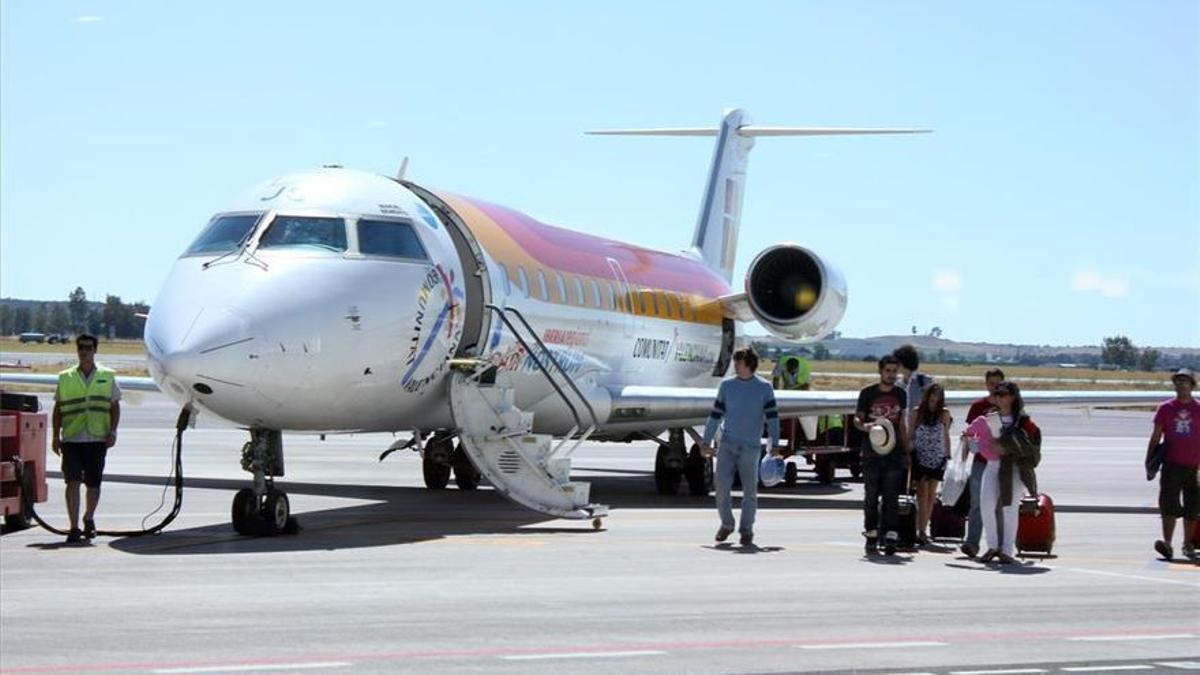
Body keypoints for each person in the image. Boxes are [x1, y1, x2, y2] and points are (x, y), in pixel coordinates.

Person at [702, 348, 782, 547]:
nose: (735, 366)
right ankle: (726, 524)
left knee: (750, 491)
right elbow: (715, 415)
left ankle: (746, 530)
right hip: (728, 444)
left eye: (738, 363)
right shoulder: (727, 386)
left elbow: (773, 417)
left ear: (748, 364)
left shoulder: (764, 388)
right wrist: (706, 441)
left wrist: (776, 442)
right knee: (721, 487)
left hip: (751, 447)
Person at [52, 333, 121, 544]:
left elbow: (114, 406)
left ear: (95, 350)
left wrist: (113, 431)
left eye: (88, 348)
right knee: (72, 482)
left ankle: (89, 518)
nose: (84, 351)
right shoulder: (65, 377)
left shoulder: (107, 376)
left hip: (97, 438)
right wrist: (55, 436)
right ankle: (73, 527)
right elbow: (58, 409)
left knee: (93, 484)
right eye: (81, 347)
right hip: (72, 438)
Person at [964, 380, 1039, 564]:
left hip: (1013, 467)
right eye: (997, 394)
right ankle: (992, 546)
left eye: (1003, 394)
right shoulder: (988, 418)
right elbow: (968, 433)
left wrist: (1009, 447)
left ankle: (1007, 550)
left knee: (1010, 508)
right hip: (992, 465)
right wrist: (971, 442)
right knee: (986, 505)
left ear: (1013, 397)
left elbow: (1031, 445)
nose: (998, 397)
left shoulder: (1023, 421)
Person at [854, 354, 909, 555]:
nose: (891, 375)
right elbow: (857, 420)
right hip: (872, 451)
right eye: (888, 371)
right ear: (880, 371)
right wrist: (866, 427)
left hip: (893, 451)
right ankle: (871, 532)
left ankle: (891, 534)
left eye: (895, 371)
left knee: (891, 496)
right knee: (871, 496)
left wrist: (906, 448)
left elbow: (901, 422)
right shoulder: (867, 393)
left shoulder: (901, 394)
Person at [1146, 368, 1200, 561]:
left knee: (1192, 507)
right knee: (1168, 505)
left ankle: (1188, 544)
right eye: (1178, 381)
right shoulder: (1166, 408)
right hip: (1171, 465)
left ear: (1192, 385)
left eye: (1185, 381)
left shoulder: (1199, 409)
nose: (1181, 385)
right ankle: (1168, 544)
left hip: (1194, 466)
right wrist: (1149, 461)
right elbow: (1156, 436)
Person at [961, 368, 1006, 558]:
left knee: (999, 505)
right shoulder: (977, 406)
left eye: (998, 383)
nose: (994, 387)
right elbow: (969, 434)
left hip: (1002, 463)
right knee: (977, 503)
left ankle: (1000, 545)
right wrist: (963, 457)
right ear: (986, 384)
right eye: (991, 383)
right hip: (980, 461)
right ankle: (972, 543)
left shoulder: (1008, 406)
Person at [910, 383, 952, 545]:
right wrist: (908, 451)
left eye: (937, 400)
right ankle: (919, 529)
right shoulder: (917, 412)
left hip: (937, 456)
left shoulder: (944, 414)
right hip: (920, 456)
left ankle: (923, 528)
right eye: (931, 399)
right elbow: (911, 433)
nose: (933, 403)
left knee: (931, 494)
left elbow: (946, 434)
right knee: (921, 492)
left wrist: (947, 455)